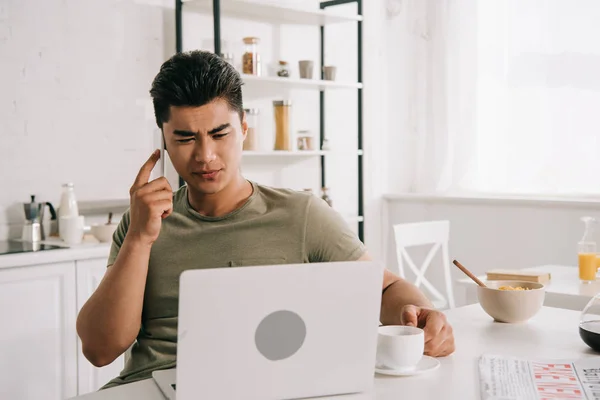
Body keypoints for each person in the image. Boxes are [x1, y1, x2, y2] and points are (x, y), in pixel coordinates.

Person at [76, 50, 455, 389]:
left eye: (219, 133)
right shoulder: (142, 222)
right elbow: (99, 349)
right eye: (185, 138)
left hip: (265, 386)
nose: (205, 155)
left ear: (243, 129)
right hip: (154, 387)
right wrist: (140, 238)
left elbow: (384, 288)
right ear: (164, 138)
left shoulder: (301, 214)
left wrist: (424, 317)